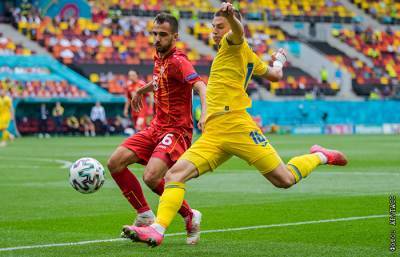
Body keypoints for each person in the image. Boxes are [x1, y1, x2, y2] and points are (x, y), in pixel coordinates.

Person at [125, 3, 348, 247]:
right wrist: (280, 60)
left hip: (238, 126)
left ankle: (320, 156)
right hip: (214, 131)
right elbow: (275, 76)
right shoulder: (247, 54)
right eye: (213, 27)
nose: (214, 32)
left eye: (220, 27)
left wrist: (232, 18)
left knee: (283, 179)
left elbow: (238, 33)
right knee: (174, 175)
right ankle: (157, 230)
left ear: (231, 25)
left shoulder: (233, 43)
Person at [109, 12, 207, 245]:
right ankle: (144, 214)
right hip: (156, 128)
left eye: (162, 35)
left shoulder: (179, 61)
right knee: (115, 163)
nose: (157, 39)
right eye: (154, 33)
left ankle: (189, 215)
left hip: (176, 131)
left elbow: (200, 85)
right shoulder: (159, 58)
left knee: (152, 177)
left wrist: (205, 112)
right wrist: (141, 91)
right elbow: (158, 82)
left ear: (175, 36)